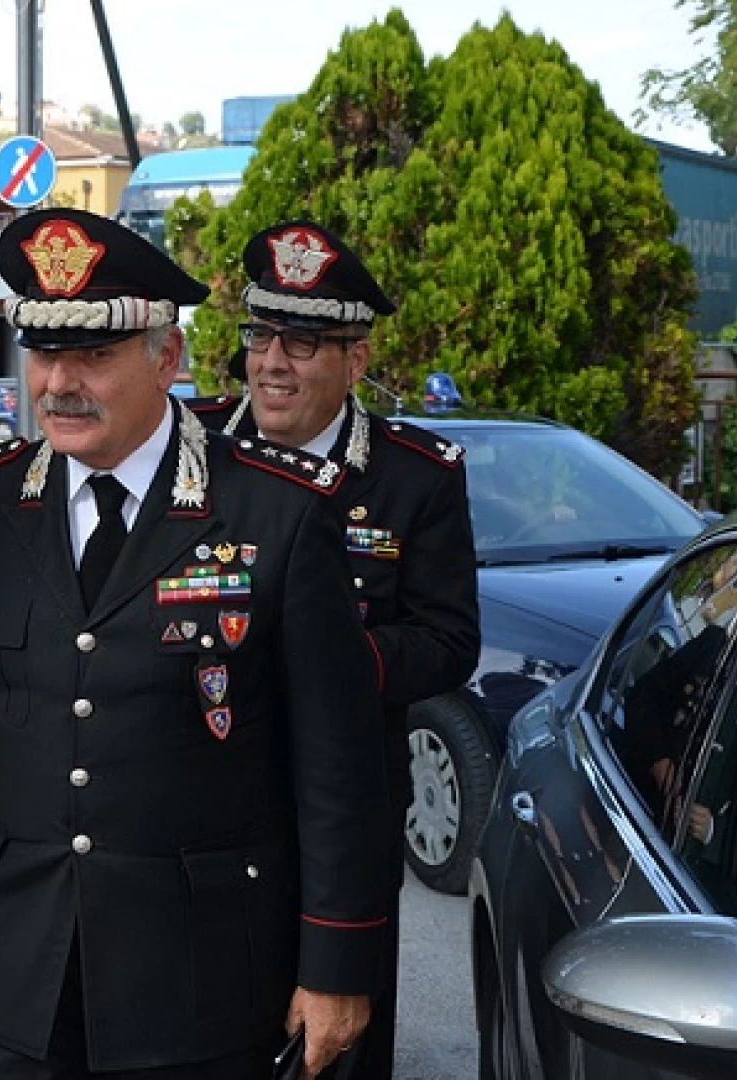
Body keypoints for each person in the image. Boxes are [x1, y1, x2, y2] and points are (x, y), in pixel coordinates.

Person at [0, 207, 395, 1079]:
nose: (59, 384)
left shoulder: (279, 510)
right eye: (44, 354)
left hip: (199, 978)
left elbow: (338, 759)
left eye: (94, 355)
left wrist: (337, 962)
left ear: (168, 356)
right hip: (15, 973)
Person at [205, 220, 481, 1080]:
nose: (272, 362)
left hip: (345, 819)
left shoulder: (415, 476)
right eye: (260, 335)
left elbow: (448, 641)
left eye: (304, 342)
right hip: (200, 809)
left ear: (357, 361)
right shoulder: (189, 453)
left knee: (338, 1052)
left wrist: (329, 662)